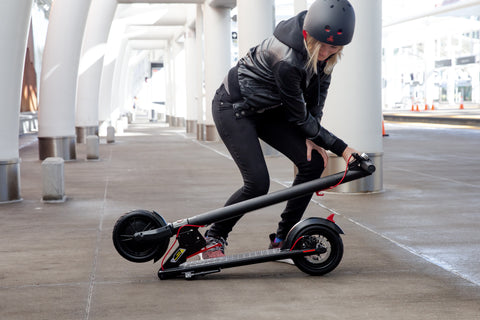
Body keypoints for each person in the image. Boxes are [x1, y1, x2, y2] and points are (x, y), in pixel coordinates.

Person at [202, 0, 358, 259]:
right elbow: (298, 116)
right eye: (324, 45)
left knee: (313, 162)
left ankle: (283, 239)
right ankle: (214, 236)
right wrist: (344, 149)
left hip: (269, 109)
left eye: (335, 48)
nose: (328, 52)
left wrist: (312, 135)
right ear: (309, 35)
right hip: (235, 107)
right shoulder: (286, 59)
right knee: (257, 184)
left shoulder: (324, 57)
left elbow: (315, 102)